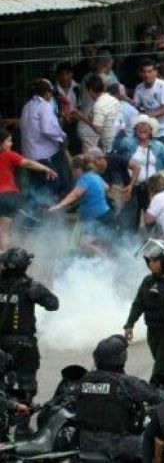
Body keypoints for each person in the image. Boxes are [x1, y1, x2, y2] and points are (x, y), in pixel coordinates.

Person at [76, 335, 164, 461]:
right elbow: (158, 396)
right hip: (115, 443)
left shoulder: (83, 380)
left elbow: (68, 398)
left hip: (85, 441)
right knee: (156, 444)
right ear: (122, 357)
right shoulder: (126, 382)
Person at [0, 248, 58, 434]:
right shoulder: (31, 287)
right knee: (26, 385)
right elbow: (53, 304)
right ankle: (23, 428)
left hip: (2, 344)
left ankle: (4, 424)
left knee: (3, 386)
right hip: (24, 345)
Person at [124, 239, 164, 387]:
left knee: (161, 368)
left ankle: (156, 392)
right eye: (149, 260)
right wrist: (129, 324)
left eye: (156, 260)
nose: (151, 264)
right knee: (163, 364)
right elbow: (138, 304)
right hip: (153, 331)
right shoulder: (148, 282)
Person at [0, 128, 58, 250]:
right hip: (8, 196)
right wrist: (46, 169)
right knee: (4, 232)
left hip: (5, 196)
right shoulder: (8, 155)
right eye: (8, 141)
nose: (11, 144)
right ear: (1, 143)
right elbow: (28, 163)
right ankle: (3, 261)